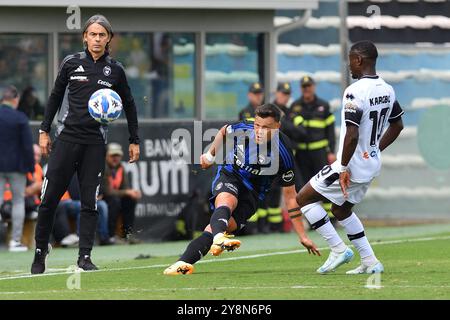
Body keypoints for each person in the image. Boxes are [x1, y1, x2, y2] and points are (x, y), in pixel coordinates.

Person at [31, 14, 140, 274]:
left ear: (109, 39)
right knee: (48, 200)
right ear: (85, 37)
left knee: (90, 202)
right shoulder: (71, 63)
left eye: (102, 35)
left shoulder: (116, 69)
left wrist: (134, 139)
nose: (97, 39)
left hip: (95, 143)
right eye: (93, 34)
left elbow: (130, 103)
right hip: (66, 139)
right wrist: (44, 130)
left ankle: (84, 256)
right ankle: (39, 251)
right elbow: (55, 97)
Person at [164, 103, 320, 275]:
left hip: (253, 193)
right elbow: (224, 130)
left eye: (266, 128)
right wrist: (210, 156)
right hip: (231, 174)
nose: (259, 132)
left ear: (277, 127)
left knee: (220, 226)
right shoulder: (244, 128)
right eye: (257, 126)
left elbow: (290, 197)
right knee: (227, 201)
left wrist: (302, 236)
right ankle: (218, 239)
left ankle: (181, 263)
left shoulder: (283, 153)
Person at [296, 40, 404, 274]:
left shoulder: (355, 91)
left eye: (350, 61)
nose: (349, 67)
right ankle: (370, 261)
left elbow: (352, 134)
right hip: (371, 165)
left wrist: (343, 167)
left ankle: (337, 249)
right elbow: (397, 126)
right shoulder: (387, 89)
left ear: (359, 60)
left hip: (351, 166)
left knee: (303, 198)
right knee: (341, 211)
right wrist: (374, 149)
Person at [290, 76, 336, 218]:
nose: (307, 89)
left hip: (320, 153)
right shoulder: (295, 106)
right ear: (301, 89)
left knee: (326, 184)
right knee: (305, 187)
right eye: (304, 87)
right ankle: (314, 219)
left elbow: (330, 131)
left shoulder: (323, 105)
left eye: (309, 86)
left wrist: (332, 151)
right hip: (302, 153)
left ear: (313, 87)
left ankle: (331, 217)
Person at [0, 85, 34, 252]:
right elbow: (28, 146)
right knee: (18, 201)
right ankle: (15, 242)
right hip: (16, 167)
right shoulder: (20, 117)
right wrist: (31, 168)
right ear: (15, 99)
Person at [102, 143, 141, 244]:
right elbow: (107, 191)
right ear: (106, 156)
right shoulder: (102, 167)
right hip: (101, 198)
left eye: (117, 155)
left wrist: (131, 193)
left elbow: (125, 188)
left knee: (130, 200)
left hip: (115, 197)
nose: (115, 158)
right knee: (114, 201)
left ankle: (127, 235)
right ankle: (111, 236)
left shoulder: (121, 168)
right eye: (112, 156)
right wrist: (127, 192)